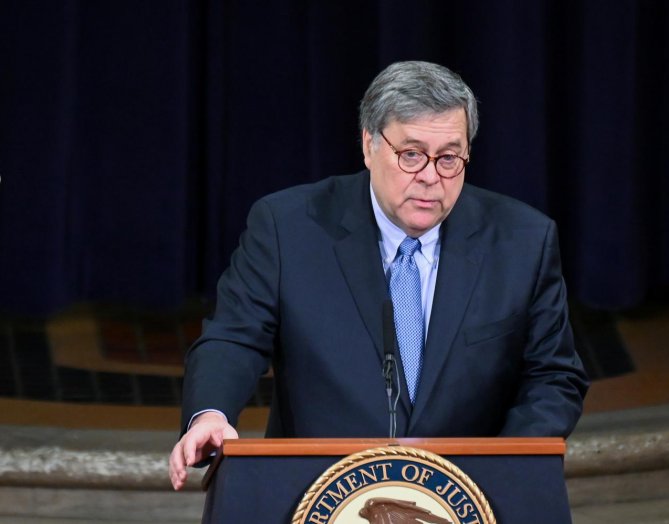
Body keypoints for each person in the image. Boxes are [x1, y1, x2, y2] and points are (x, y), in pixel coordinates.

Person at [169, 61, 588, 490]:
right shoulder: (288, 228)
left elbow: (554, 376)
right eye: (411, 154)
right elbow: (234, 338)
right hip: (318, 496)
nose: (430, 176)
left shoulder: (523, 241)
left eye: (448, 158)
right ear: (369, 145)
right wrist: (212, 413)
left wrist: (500, 468)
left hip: (467, 500)